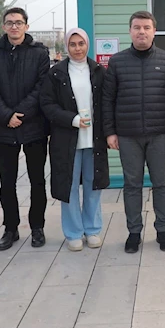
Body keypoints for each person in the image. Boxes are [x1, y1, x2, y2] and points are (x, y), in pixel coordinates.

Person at [102, 11, 165, 253]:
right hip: (127, 135)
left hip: (160, 133)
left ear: (154, 31)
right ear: (130, 31)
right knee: (132, 185)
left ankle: (163, 230)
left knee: (161, 183)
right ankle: (134, 232)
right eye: (137, 27)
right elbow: (107, 100)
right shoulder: (117, 62)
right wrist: (110, 132)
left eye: (146, 27)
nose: (142, 32)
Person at [0, 7, 51, 250]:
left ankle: (37, 227)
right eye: (10, 22)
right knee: (6, 183)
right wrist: (6, 116)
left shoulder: (40, 53)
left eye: (19, 22)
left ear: (26, 26)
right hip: (5, 129)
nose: (14, 26)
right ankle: (10, 229)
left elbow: (42, 87)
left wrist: (20, 114)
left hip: (34, 128)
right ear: (3, 26)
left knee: (37, 181)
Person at [40, 28, 110, 251]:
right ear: (66, 47)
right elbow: (47, 105)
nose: (78, 48)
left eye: (81, 43)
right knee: (68, 185)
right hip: (67, 138)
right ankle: (73, 232)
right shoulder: (56, 73)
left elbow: (107, 102)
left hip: (94, 138)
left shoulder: (99, 70)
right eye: (73, 44)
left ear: (87, 45)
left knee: (93, 184)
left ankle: (92, 229)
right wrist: (72, 119)